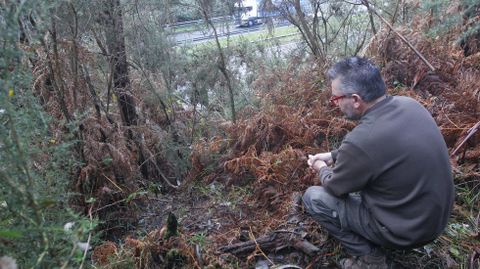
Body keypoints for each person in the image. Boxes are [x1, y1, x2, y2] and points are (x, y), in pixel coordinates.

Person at [302, 57, 454, 269]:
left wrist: (322, 168)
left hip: (406, 233)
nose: (335, 104)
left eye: (335, 99)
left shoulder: (362, 140)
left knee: (313, 197)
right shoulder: (410, 105)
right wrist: (334, 155)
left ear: (355, 99)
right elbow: (381, 148)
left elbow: (335, 187)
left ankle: (370, 259)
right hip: (436, 222)